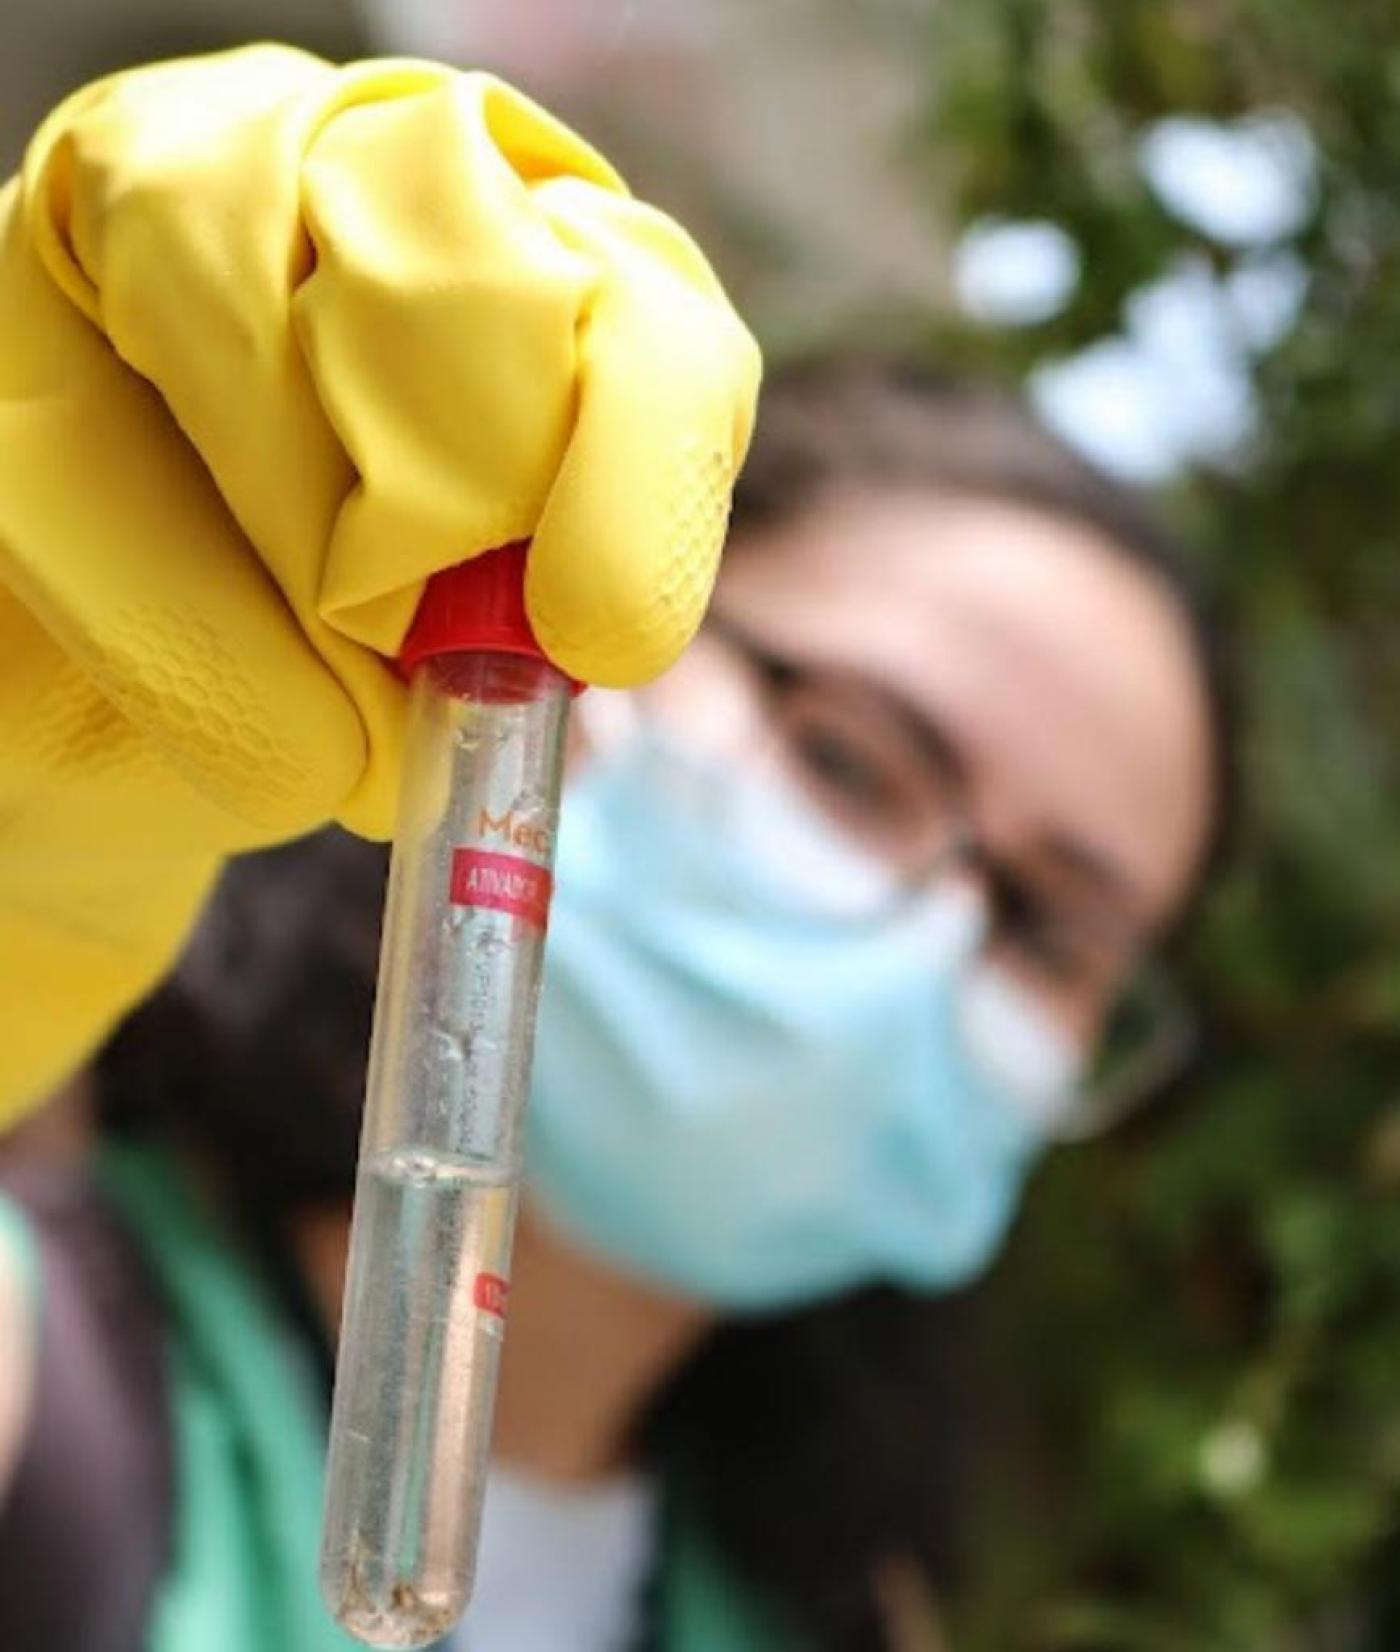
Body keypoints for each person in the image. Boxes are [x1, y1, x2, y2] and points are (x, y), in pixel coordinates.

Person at [1, 339, 1232, 1649]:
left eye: (1048, 932)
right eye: (851, 763)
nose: (929, 941)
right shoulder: (56, 1373)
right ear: (578, 661)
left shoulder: (834, 1619)